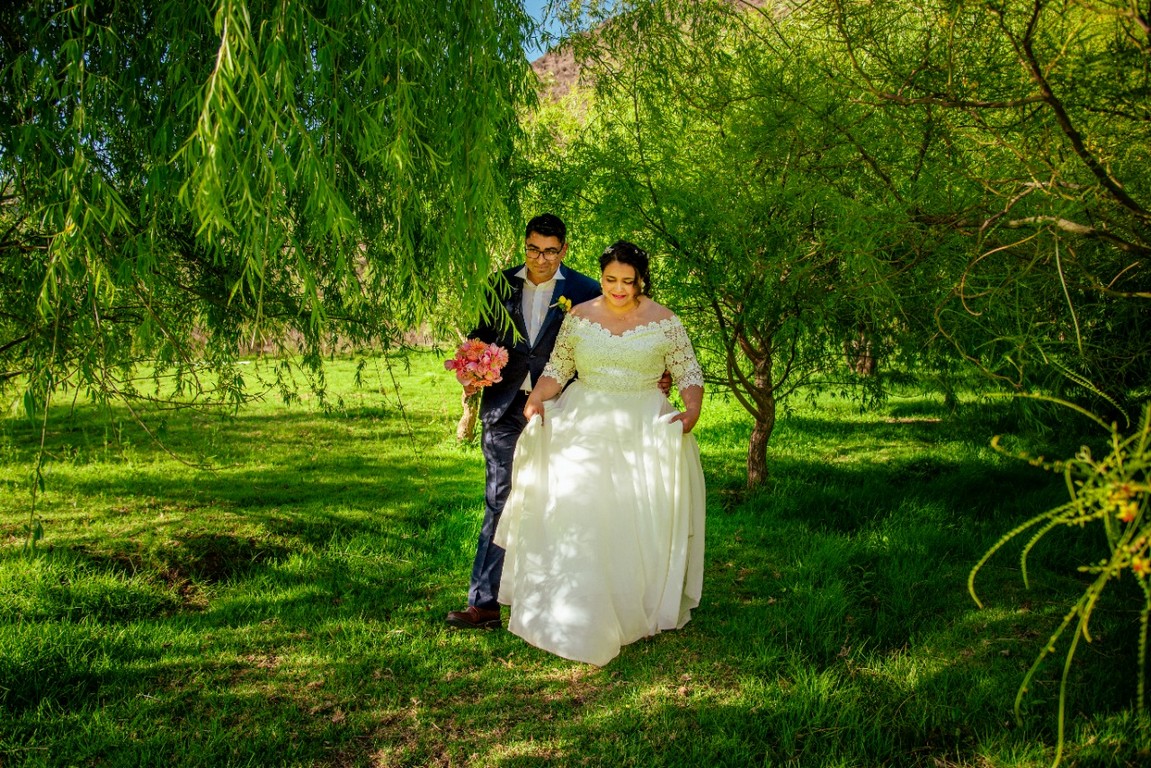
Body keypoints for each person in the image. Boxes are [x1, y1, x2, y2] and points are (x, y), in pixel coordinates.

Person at [494, 240, 706, 666]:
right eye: (610, 280)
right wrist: (537, 397)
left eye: (628, 281)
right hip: (583, 420)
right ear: (601, 277)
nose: (618, 289)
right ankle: (572, 601)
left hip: (640, 423)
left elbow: (688, 373)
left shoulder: (665, 321)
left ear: (641, 280)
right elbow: (558, 370)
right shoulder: (579, 316)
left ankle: (631, 603)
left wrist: (692, 411)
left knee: (629, 512)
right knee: (580, 508)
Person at [446, 214, 602, 629]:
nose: (541, 259)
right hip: (505, 406)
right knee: (500, 498)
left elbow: (606, 344)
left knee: (561, 501)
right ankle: (484, 604)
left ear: (564, 250)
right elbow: (479, 338)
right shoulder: (499, 285)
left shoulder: (586, 291)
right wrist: (471, 368)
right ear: (524, 245)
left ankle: (556, 602)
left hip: (562, 409)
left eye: (550, 251)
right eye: (533, 249)